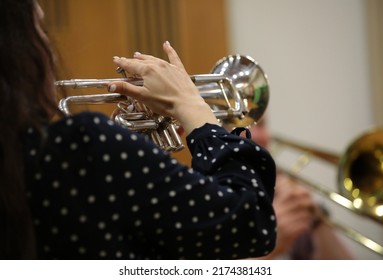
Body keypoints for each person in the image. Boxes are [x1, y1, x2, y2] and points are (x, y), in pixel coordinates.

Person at [0, 0, 277, 260]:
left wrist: (143, 156)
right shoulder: (83, 143)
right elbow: (250, 222)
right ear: (18, 49)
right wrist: (193, 106)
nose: (49, 46)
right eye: (40, 29)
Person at [249, 117, 354, 259]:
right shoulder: (212, 207)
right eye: (236, 124)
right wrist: (269, 245)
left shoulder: (279, 191)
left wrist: (315, 217)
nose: (254, 136)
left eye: (259, 124)